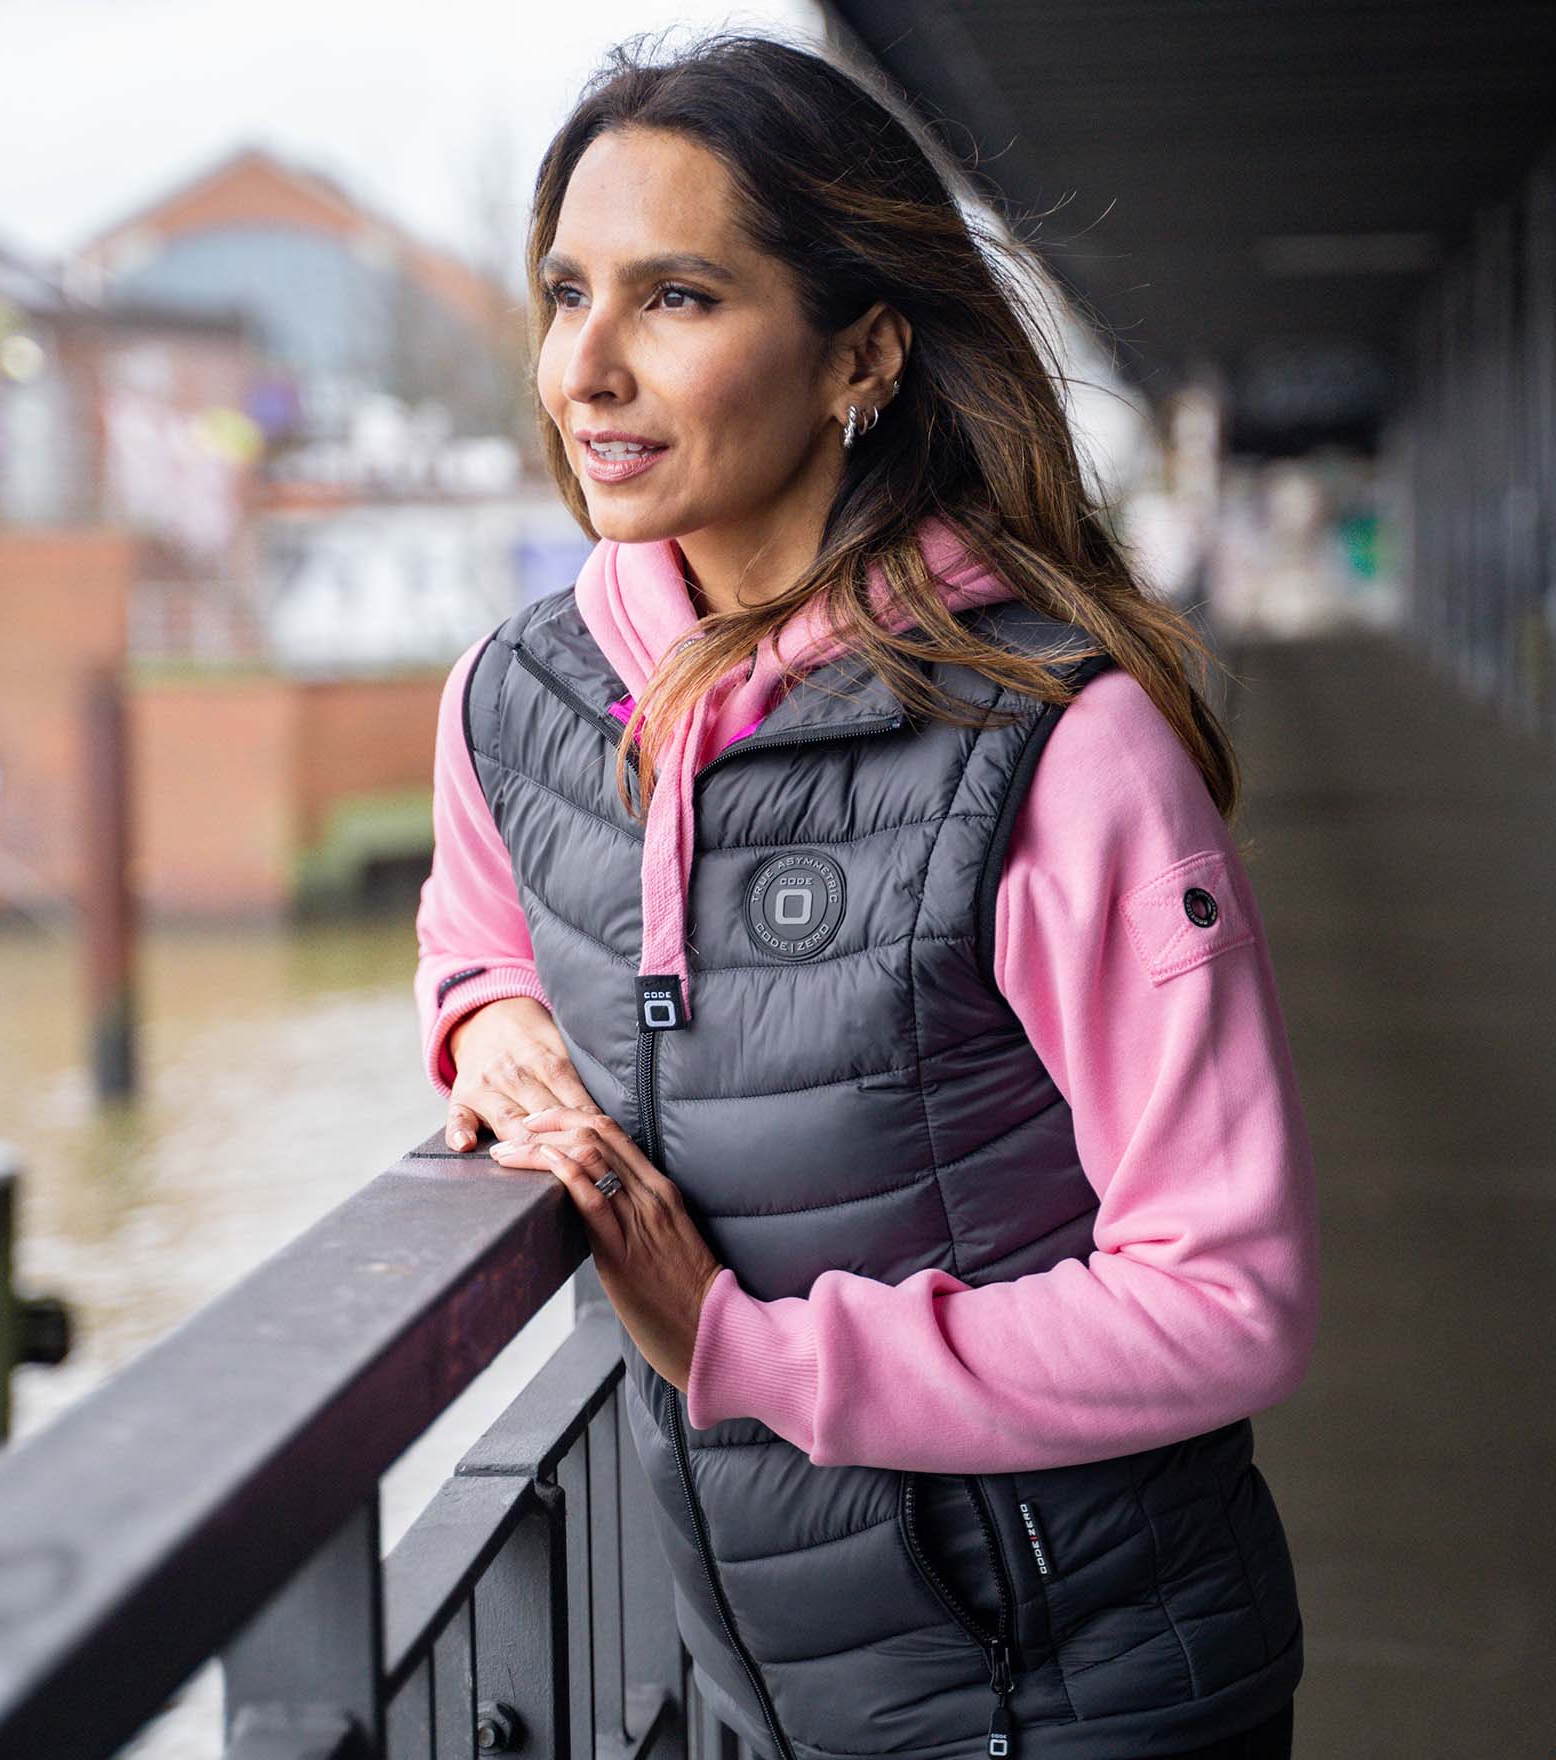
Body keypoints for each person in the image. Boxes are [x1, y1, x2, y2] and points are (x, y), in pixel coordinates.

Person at [414, 31, 1318, 1760]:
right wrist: (488, 1021)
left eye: (674, 298)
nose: (584, 369)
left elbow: (1232, 1293)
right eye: (564, 293)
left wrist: (756, 1354)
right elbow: (477, 930)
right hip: (769, 1688)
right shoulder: (516, 700)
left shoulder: (1060, 745)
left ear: (866, 351)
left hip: (1082, 1698)